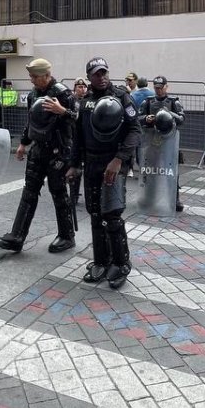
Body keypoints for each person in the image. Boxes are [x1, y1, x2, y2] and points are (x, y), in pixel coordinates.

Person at [66, 57, 140, 289]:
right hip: (92, 162)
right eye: (96, 74)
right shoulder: (85, 102)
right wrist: (74, 164)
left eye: (104, 72)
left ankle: (121, 263)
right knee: (96, 213)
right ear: (89, 77)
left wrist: (119, 160)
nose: (102, 77)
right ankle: (101, 261)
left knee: (112, 215)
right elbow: (78, 136)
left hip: (113, 163)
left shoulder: (121, 97)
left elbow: (135, 130)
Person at [0, 58, 78, 254]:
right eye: (31, 76)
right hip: (38, 149)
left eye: (34, 76)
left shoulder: (63, 93)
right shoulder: (33, 94)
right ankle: (17, 236)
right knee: (29, 192)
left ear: (46, 75)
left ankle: (67, 236)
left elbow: (78, 119)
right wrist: (23, 143)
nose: (31, 80)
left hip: (59, 151)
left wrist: (63, 111)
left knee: (58, 193)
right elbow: (31, 121)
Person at [140, 75, 186, 212]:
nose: (158, 90)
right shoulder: (148, 102)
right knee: (150, 171)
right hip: (152, 141)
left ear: (166, 87)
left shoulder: (173, 102)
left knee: (171, 172)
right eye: (156, 88)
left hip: (169, 141)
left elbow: (182, 119)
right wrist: (146, 118)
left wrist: (169, 113)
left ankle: (174, 198)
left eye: (161, 88)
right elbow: (137, 117)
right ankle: (149, 197)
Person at [67, 77, 89, 207]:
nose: (82, 89)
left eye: (84, 87)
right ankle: (73, 196)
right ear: (75, 88)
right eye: (80, 87)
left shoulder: (89, 100)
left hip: (86, 138)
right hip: (73, 137)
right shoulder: (71, 100)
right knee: (75, 167)